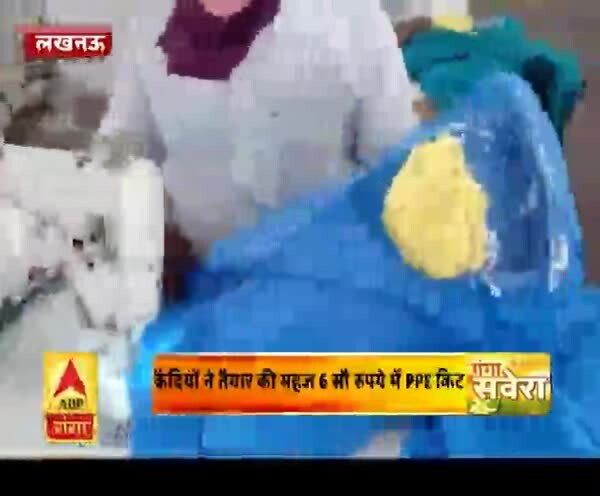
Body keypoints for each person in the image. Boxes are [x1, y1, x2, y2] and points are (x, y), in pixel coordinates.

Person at [97, 0, 418, 300]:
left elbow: (398, 171)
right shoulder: (150, 25)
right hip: (199, 288)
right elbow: (121, 155)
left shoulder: (354, 19)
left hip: (331, 288)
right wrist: (146, 241)